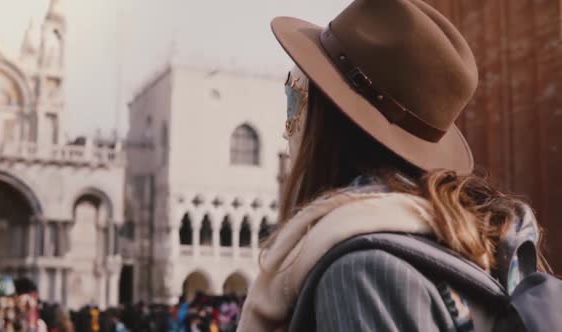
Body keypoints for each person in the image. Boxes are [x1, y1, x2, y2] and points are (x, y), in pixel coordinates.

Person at [237, 0, 558, 331]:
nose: (286, 127)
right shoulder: (475, 246)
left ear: (328, 120)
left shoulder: (363, 274)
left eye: (296, 99)